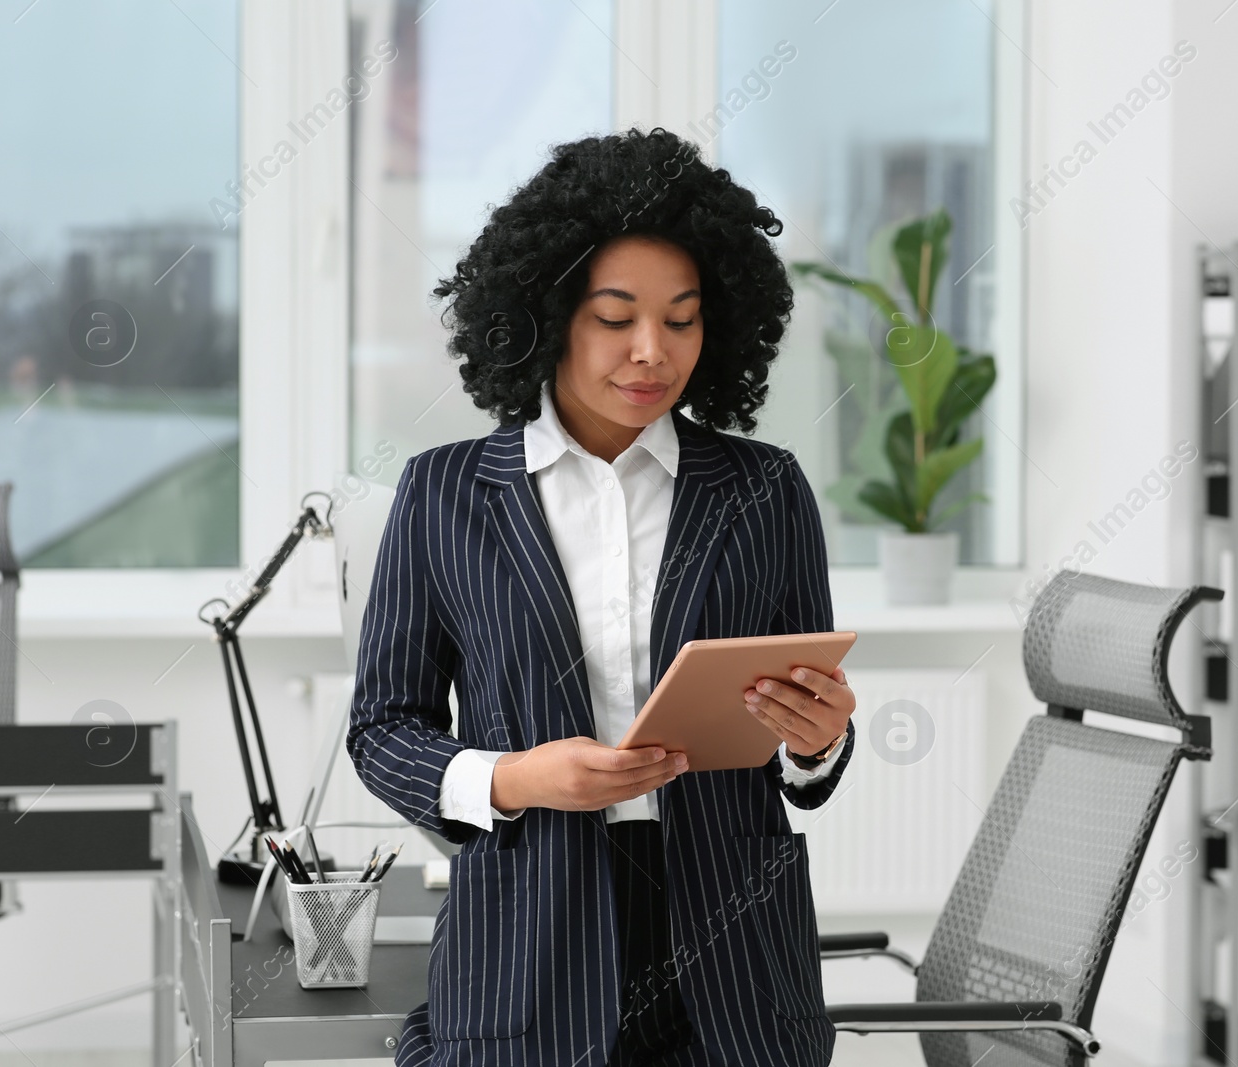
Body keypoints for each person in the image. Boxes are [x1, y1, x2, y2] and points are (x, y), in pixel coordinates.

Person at [348, 127, 858, 1067]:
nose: (652, 352)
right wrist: (514, 779)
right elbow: (384, 728)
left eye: (683, 318)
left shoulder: (765, 488)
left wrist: (818, 741)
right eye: (615, 316)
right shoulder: (446, 492)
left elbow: (805, 754)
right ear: (547, 314)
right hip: (529, 940)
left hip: (733, 943)